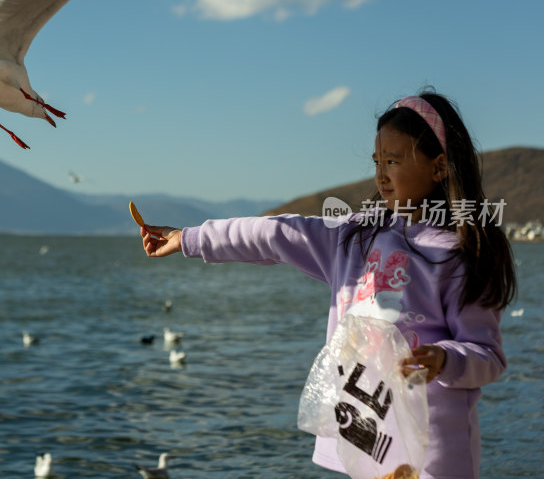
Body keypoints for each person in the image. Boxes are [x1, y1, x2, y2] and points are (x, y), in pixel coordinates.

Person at [138, 90, 516, 478]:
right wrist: (190, 238)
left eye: (393, 161)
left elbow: (487, 355)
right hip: (364, 441)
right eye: (377, 161)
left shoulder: (459, 255)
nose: (381, 174)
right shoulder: (353, 239)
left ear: (439, 168)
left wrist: (445, 358)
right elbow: (271, 234)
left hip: (434, 454)